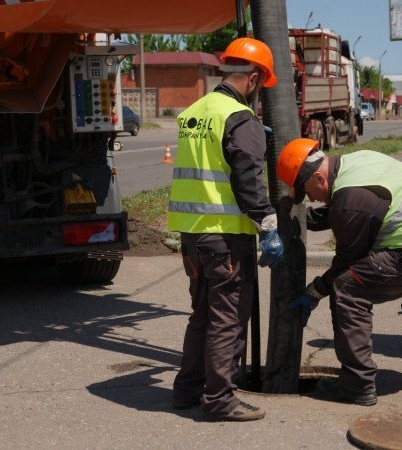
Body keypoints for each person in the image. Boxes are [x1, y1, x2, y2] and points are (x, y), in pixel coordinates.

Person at [276, 138, 402, 405]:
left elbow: (347, 260)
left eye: (306, 191)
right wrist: (301, 222)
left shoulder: (350, 201)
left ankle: (357, 384)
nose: (310, 199)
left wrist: (314, 292)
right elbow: (353, 207)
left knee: (347, 289)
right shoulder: (357, 163)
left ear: (317, 178)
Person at [167, 37, 283, 422]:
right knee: (227, 318)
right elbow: (249, 179)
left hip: (192, 235)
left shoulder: (195, 112)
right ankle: (219, 399)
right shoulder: (240, 118)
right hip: (225, 237)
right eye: (260, 87)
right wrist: (267, 224)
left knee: (203, 313)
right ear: (252, 79)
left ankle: (187, 390)